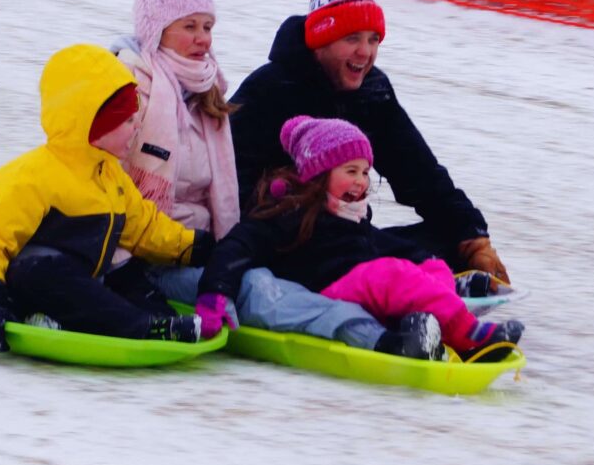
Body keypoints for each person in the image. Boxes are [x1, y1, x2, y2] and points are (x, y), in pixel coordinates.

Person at [109, 0, 410, 356]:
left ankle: (410, 307)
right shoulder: (128, 93)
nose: (204, 38)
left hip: (207, 247)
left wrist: (232, 251)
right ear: (157, 30)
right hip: (146, 259)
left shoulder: (206, 92)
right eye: (190, 27)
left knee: (291, 267)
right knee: (260, 290)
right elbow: (105, 186)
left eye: (208, 26)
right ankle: (379, 339)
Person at [231, 0, 511, 284]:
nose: (365, 52)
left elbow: (419, 172)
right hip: (277, 238)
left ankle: (429, 283)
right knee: (384, 259)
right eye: (352, 38)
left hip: (349, 236)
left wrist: (472, 237)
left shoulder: (372, 90)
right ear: (321, 40)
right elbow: (228, 179)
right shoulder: (271, 88)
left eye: (373, 39)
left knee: (447, 242)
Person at [195, 117, 524, 363]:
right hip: (324, 288)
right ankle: (469, 338)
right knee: (394, 275)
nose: (360, 181)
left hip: (357, 282)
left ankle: (422, 328)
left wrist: (429, 262)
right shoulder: (290, 212)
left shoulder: (351, 214)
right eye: (350, 171)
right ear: (319, 173)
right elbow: (238, 245)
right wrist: (215, 292)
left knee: (428, 267)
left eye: (365, 172)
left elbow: (377, 242)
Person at [0, 43, 211, 350]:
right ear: (93, 122)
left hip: (86, 283)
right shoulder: (33, 174)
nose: (136, 128)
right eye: (127, 121)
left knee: (127, 272)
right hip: (31, 283)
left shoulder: (110, 175)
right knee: (48, 272)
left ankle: (157, 320)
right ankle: (141, 328)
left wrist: (193, 246)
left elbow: (143, 227)